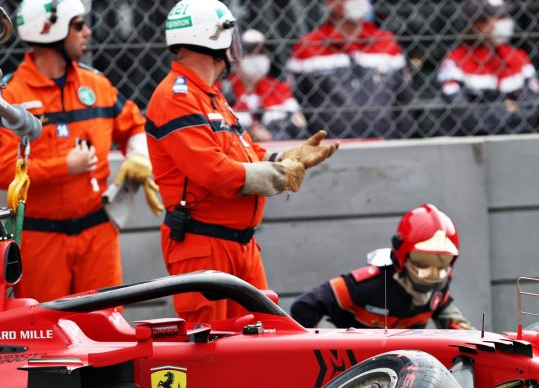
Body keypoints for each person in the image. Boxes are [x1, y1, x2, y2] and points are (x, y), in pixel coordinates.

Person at [148, 0, 339, 325]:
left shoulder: (210, 95)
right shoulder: (175, 98)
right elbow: (214, 173)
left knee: (257, 347)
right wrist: (280, 174)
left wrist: (292, 157)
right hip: (205, 246)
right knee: (213, 354)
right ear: (212, 38)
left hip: (240, 246)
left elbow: (249, 153)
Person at [0, 0, 156, 302]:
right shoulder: (9, 95)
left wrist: (139, 154)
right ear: (50, 29)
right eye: (78, 25)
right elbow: (1, 172)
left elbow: (134, 125)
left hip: (98, 234)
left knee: (108, 329)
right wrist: (64, 165)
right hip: (41, 239)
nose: (87, 32)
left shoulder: (97, 84)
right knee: (45, 332)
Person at [291, 204, 472, 330]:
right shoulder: (367, 284)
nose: (433, 273)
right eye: (422, 260)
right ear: (403, 255)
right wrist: (337, 342)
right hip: (352, 374)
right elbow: (303, 307)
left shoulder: (439, 288)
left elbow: (449, 315)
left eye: (442, 262)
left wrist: (463, 331)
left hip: (404, 371)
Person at [286, 0, 414, 139]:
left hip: (384, 142)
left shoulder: (387, 42)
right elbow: (294, 100)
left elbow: (404, 98)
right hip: (329, 147)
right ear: (331, 3)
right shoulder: (307, 47)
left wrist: (400, 139)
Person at [437, 0, 539, 136]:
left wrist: (489, 110)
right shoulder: (454, 61)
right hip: (469, 146)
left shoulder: (518, 57)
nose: (506, 22)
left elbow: (531, 111)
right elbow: (464, 115)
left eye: (506, 16)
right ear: (478, 24)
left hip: (517, 142)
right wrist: (508, 110)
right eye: (499, 17)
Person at [223, 29, 308, 143]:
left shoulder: (280, 88)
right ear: (236, 59)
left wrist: (272, 136)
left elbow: (300, 127)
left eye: (262, 52)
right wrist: (250, 132)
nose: (257, 57)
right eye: (251, 52)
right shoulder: (224, 90)